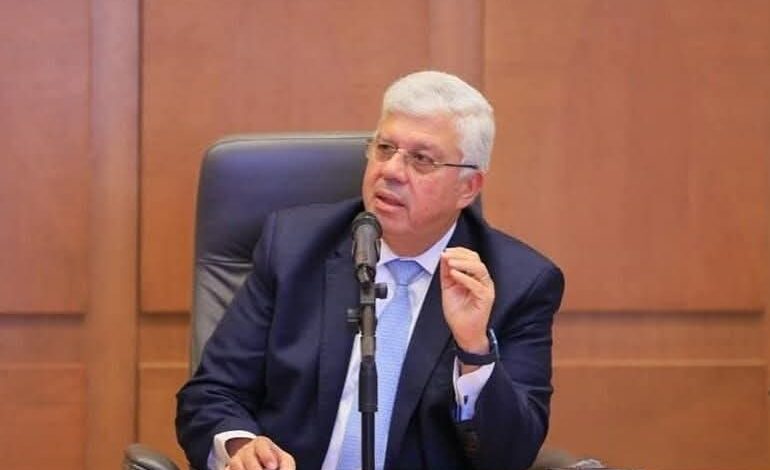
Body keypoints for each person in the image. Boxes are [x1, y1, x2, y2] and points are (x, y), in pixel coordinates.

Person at [176, 70, 564, 470]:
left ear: (468, 187)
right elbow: (212, 394)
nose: (391, 171)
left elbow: (511, 456)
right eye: (384, 148)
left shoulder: (517, 283)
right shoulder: (294, 246)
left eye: (421, 159)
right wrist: (241, 447)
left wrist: (474, 352)